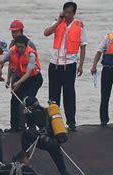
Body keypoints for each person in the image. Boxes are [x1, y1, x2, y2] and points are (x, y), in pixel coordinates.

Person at [22, 96, 83, 175]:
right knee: (62, 168)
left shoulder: (31, 115)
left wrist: (26, 116)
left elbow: (31, 129)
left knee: (25, 134)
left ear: (29, 107)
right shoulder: (48, 111)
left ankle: (24, 157)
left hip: (44, 142)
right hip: (54, 143)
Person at [43, 1, 87, 131]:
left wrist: (81, 65)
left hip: (69, 64)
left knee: (69, 94)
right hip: (55, 64)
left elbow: (83, 46)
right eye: (65, 12)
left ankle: (71, 122)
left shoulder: (79, 25)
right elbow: (46, 33)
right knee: (53, 95)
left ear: (74, 13)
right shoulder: (58, 22)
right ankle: (53, 123)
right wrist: (58, 22)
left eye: (69, 12)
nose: (67, 14)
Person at [5, 35, 43, 132]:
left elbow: (28, 73)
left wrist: (18, 82)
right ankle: (14, 126)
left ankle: (31, 126)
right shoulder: (12, 51)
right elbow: (8, 63)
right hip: (20, 78)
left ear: (26, 46)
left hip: (34, 79)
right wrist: (8, 79)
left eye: (22, 47)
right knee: (14, 100)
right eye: (18, 47)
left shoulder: (31, 54)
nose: (19, 49)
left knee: (27, 101)